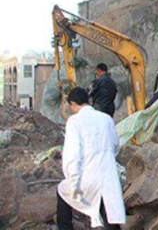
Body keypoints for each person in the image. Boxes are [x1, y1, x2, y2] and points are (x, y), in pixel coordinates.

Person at [57, 87, 125, 230]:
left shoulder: (74, 122)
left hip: (87, 178)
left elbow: (72, 155)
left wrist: (74, 182)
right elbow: (115, 145)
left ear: (73, 104)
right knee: (109, 214)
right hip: (109, 177)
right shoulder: (106, 119)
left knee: (62, 190)